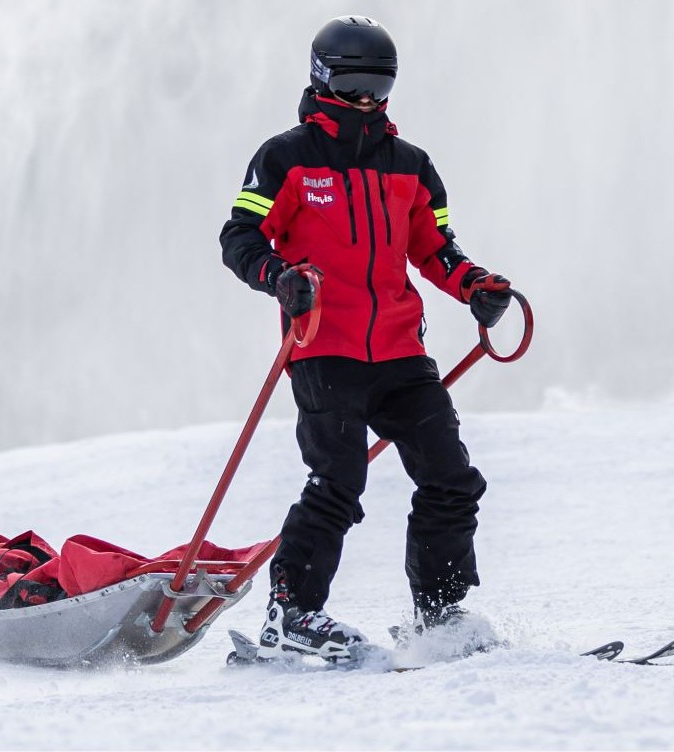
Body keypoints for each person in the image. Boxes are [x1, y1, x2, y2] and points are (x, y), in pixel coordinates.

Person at [220, 16, 515, 661]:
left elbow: (435, 249)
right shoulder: (285, 158)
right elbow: (239, 237)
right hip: (324, 348)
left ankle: (439, 617)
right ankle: (291, 615)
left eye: (377, 88)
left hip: (401, 351)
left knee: (451, 478)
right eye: (351, 86)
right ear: (322, 77)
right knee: (338, 480)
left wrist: (476, 287)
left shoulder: (411, 165)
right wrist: (279, 277)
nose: (364, 100)